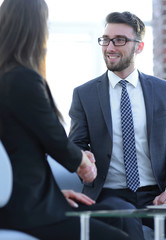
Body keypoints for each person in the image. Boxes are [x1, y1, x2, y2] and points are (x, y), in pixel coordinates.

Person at [0, 1, 130, 240]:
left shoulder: (8, 77)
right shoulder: (22, 79)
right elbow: (55, 139)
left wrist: (57, 192)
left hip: (27, 200)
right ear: (35, 28)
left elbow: (21, 152)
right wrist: (82, 161)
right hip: (26, 210)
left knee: (115, 212)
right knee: (117, 234)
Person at [69, 11, 166, 239]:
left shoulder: (164, 91)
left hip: (156, 195)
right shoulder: (84, 94)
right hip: (110, 195)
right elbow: (74, 145)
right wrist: (82, 158)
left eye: (120, 40)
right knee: (127, 222)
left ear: (139, 46)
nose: (110, 47)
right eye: (105, 39)